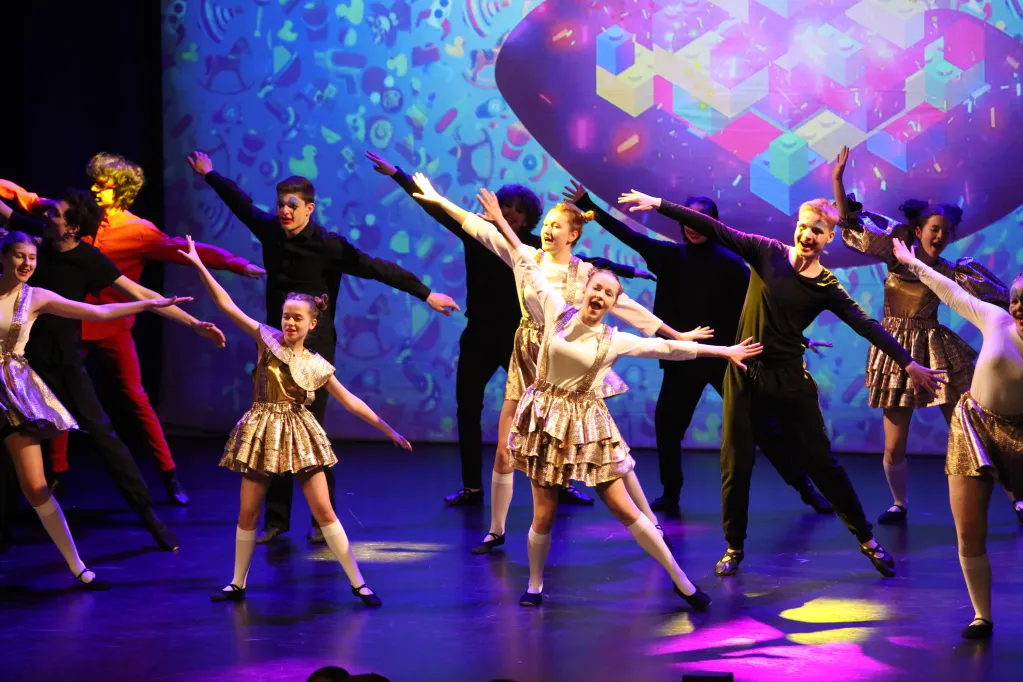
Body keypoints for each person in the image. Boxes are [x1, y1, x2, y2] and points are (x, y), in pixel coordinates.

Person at [618, 189, 944, 577]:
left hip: (789, 381)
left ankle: (867, 540)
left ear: (829, 238)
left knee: (822, 464)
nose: (808, 235)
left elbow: (866, 325)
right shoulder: (766, 252)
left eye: (818, 230)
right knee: (735, 464)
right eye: (804, 226)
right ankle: (734, 546)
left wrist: (909, 363)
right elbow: (715, 229)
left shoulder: (825, 285)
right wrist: (660, 204)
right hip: (744, 375)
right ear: (796, 227)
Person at [476, 186, 762, 607]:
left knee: (625, 508)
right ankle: (534, 584)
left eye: (608, 294)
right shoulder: (556, 311)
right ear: (585, 291)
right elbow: (522, 258)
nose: (599, 296)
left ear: (613, 304)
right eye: (595, 289)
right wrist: (500, 221)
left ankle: (682, 581)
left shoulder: (613, 340)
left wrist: (725, 351)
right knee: (544, 514)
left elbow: (668, 348)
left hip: (585, 422)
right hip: (544, 421)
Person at [187, 150, 458, 543]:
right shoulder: (271, 232)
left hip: (314, 351)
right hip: (276, 346)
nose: (284, 211)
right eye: (281, 204)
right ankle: (276, 521)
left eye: (292, 205)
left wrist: (426, 293)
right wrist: (210, 173)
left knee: (310, 431)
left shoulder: (328, 246)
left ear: (309, 209)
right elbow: (241, 204)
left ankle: (321, 521)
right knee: (274, 428)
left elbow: (377, 268)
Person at [411, 173, 688, 554]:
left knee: (610, 452)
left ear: (572, 235)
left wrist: (676, 335)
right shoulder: (527, 258)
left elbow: (629, 309)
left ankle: (651, 521)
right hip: (527, 355)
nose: (547, 230)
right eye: (547, 225)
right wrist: (437, 198)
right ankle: (496, 530)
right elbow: (479, 228)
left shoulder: (585, 272)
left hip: (567, 361)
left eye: (556, 226)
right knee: (506, 448)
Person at [366, 151, 653, 508]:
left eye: (519, 209)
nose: (512, 212)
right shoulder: (478, 234)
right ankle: (472, 488)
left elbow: (588, 263)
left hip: (525, 341)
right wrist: (398, 174)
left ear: (528, 217)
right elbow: (435, 207)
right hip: (480, 335)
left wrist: (630, 271)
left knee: (552, 411)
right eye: (507, 206)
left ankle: (560, 484)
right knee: (467, 409)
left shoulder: (534, 247)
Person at [0, 153, 264, 506]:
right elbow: (24, 199)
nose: (95, 189)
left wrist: (237, 263)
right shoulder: (67, 214)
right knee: (55, 394)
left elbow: (184, 249)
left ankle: (168, 473)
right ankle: (58, 473)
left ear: (122, 192)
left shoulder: (136, 230)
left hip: (113, 324)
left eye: (104, 185)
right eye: (94, 182)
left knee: (135, 398)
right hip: (68, 323)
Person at [566, 181, 833, 514]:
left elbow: (761, 309)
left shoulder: (731, 263)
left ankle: (807, 490)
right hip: (683, 359)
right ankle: (671, 494)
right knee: (667, 426)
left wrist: (800, 339)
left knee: (762, 426)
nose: (692, 227)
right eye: (687, 219)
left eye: (700, 220)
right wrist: (589, 204)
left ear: (711, 223)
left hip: (725, 359)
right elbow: (628, 235)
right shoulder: (669, 256)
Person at [177, 236, 411, 605]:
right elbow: (227, 305)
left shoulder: (316, 365)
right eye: (286, 316)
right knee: (248, 511)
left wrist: (390, 431)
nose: (289, 322)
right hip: (261, 429)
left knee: (324, 510)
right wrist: (198, 263)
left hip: (298, 432)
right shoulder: (266, 339)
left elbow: (351, 402)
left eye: (297, 318)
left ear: (312, 323)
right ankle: (237, 583)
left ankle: (358, 582)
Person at [0, 190, 228, 550]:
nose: (47, 216)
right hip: (24, 363)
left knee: (103, 435)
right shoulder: (37, 240)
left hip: (64, 361)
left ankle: (149, 518)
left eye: (55, 213)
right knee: (12, 440)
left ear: (72, 228)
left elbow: (140, 294)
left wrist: (194, 324)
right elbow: (7, 212)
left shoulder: (88, 259)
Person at [832, 146, 1016, 524]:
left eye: (946, 232)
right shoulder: (896, 256)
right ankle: (899, 503)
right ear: (919, 231)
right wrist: (838, 180)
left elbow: (1003, 299)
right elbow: (851, 224)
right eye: (935, 229)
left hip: (935, 350)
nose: (941, 236)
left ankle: (1017, 497)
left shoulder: (952, 270)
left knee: (975, 430)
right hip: (895, 352)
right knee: (894, 444)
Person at [0, 230, 188, 588]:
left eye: (32, 257)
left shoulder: (36, 297)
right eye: (19, 256)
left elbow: (99, 312)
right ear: (3, 257)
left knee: (36, 487)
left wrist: (148, 304)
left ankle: (77, 567)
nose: (27, 263)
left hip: (14, 395)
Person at [890, 237, 1023, 639]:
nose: (1018, 306)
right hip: (974, 427)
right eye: (1015, 299)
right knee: (968, 530)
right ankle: (982, 615)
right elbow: (950, 291)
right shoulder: (997, 320)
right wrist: (912, 262)